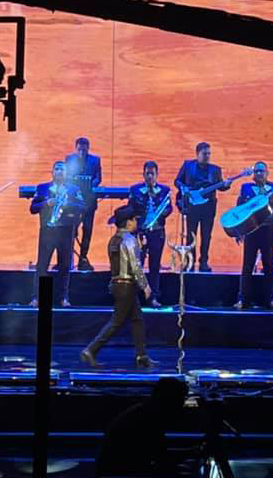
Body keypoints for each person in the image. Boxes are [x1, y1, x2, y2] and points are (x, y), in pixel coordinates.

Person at [81, 204, 155, 369]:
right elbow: (135, 265)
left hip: (118, 284)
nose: (136, 222)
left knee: (137, 319)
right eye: (134, 220)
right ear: (128, 222)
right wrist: (145, 285)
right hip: (127, 286)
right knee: (116, 322)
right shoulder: (129, 240)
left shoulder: (114, 239)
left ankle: (142, 356)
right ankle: (91, 350)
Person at [95, 378, 189, 477]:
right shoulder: (150, 419)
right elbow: (161, 457)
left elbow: (160, 455)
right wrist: (190, 453)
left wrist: (189, 452)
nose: (182, 404)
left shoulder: (146, 413)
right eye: (181, 399)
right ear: (170, 399)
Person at [30, 161, 85, 307]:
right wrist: (46, 203)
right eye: (57, 169)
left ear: (66, 173)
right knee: (42, 265)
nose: (59, 172)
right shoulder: (42, 188)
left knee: (64, 266)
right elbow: (33, 208)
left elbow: (82, 206)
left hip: (66, 231)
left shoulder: (73, 189)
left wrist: (67, 205)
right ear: (52, 172)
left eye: (62, 169)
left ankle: (64, 298)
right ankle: (37, 297)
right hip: (47, 231)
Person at [234, 161, 273, 310]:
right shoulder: (246, 188)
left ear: (267, 173)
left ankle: (270, 299)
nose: (259, 174)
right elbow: (239, 210)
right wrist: (238, 231)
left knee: (269, 265)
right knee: (247, 265)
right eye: (256, 171)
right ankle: (243, 300)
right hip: (251, 231)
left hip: (268, 230)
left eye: (261, 171)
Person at [175, 142, 233, 272]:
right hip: (192, 207)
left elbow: (221, 186)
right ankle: (189, 262)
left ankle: (204, 262)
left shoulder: (215, 170)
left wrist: (227, 185)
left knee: (206, 236)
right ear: (197, 154)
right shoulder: (188, 166)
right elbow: (177, 181)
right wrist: (184, 188)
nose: (207, 156)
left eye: (209, 154)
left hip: (208, 208)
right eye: (204, 153)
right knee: (191, 236)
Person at [128, 161, 173, 307]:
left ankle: (153, 298)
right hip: (140, 233)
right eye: (147, 173)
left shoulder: (164, 190)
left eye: (152, 173)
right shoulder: (135, 190)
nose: (149, 176)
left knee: (155, 266)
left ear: (156, 175)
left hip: (157, 232)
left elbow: (170, 208)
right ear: (143, 174)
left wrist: (162, 212)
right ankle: (134, 298)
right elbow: (130, 209)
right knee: (137, 266)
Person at [66, 137, 102, 271]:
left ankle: (83, 258)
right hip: (73, 202)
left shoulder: (95, 160)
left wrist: (90, 186)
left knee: (87, 230)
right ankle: (66, 258)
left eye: (84, 150)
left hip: (89, 201)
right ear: (76, 149)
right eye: (79, 150)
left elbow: (98, 177)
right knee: (70, 230)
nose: (81, 152)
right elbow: (67, 177)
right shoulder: (70, 159)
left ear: (88, 149)